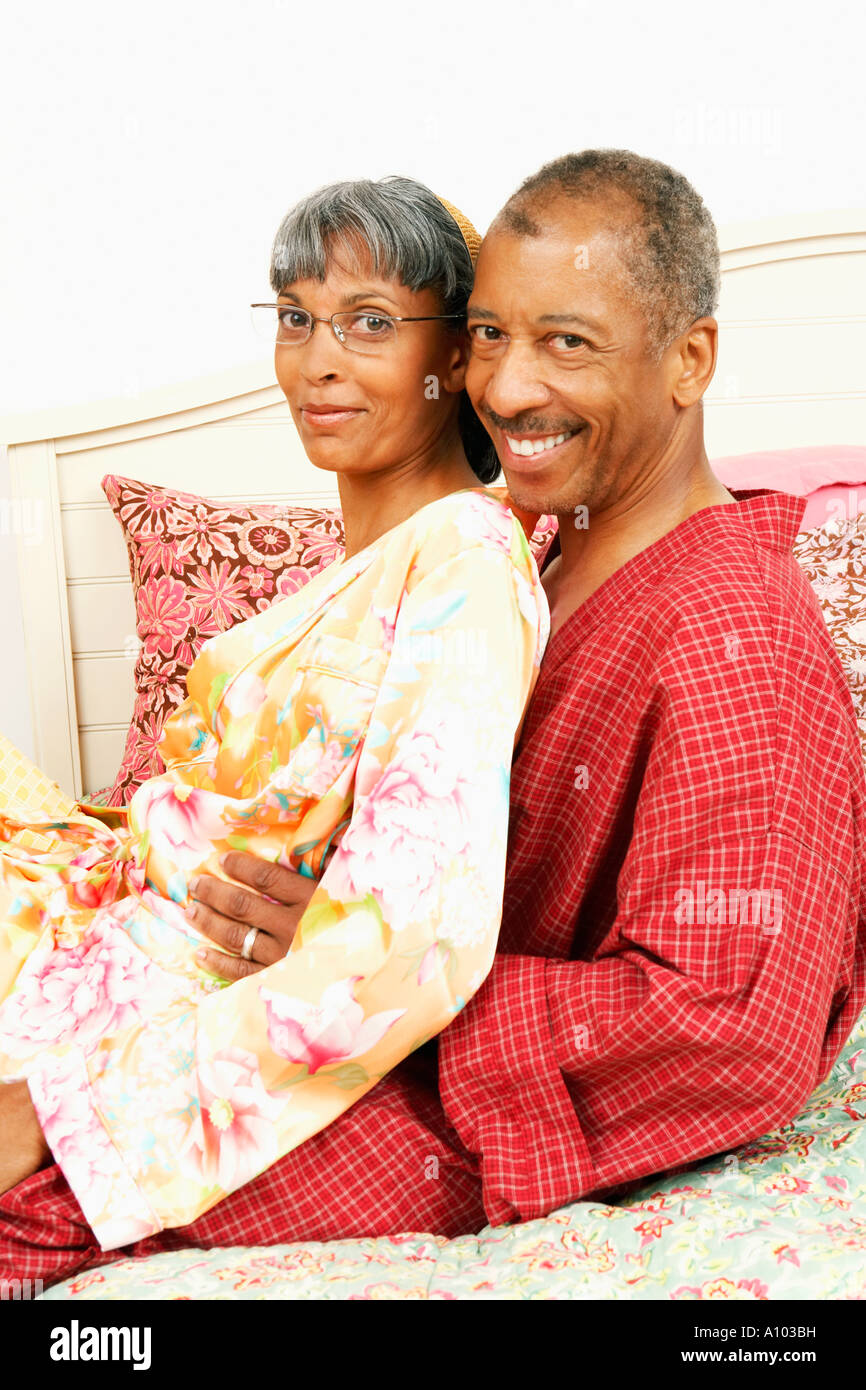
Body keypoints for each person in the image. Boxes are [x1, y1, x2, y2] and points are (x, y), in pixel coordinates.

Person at [4, 148, 866, 1290]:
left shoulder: (732, 636)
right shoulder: (528, 546)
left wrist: (358, 956)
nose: (505, 388)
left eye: (567, 343)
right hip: (335, 1004)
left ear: (689, 359)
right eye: (491, 336)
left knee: (44, 1193)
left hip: (446, 1089)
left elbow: (729, 1026)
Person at [0, 178, 548, 1267]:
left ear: (455, 356)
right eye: (296, 317)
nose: (318, 361)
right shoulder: (361, 566)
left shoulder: (467, 559)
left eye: (370, 322)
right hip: (112, 898)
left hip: (181, 983)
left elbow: (412, 933)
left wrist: (58, 1115)